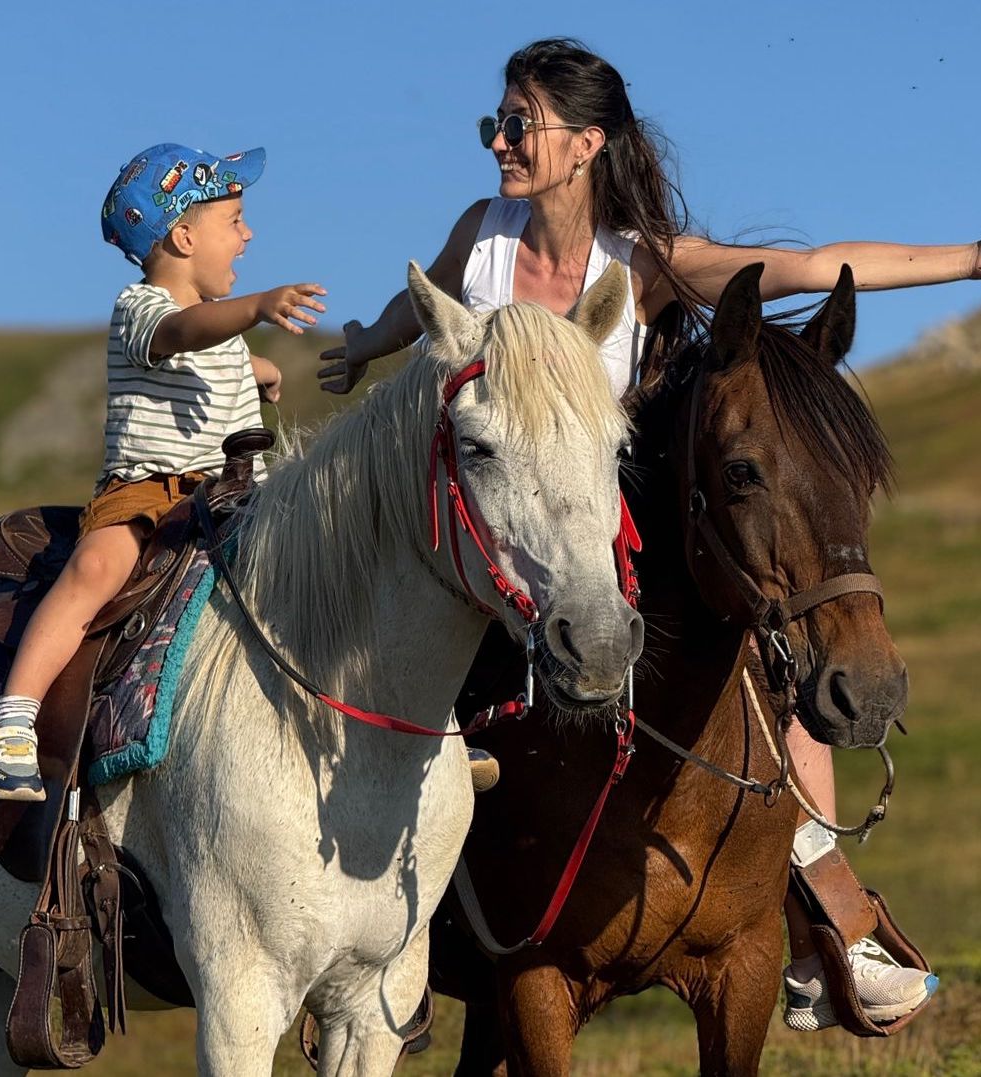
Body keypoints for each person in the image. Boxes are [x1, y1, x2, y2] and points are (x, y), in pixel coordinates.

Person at [317, 38, 975, 1033]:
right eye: (494, 122)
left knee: (765, 663)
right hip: (494, 532)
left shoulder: (644, 261)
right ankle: (373, 933)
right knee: (393, 665)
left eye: (517, 123)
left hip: (604, 533)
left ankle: (821, 911)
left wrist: (970, 259)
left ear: (586, 144)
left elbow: (806, 265)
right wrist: (367, 343)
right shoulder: (481, 233)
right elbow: (428, 316)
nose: (498, 140)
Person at [0, 142, 327, 803]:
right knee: (95, 571)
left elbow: (212, 353)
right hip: (146, 493)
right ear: (184, 233)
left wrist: (262, 369)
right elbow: (181, 334)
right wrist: (256, 308)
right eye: (236, 220)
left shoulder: (215, 332)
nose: (248, 235)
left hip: (228, 495)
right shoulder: (140, 307)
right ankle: (13, 720)